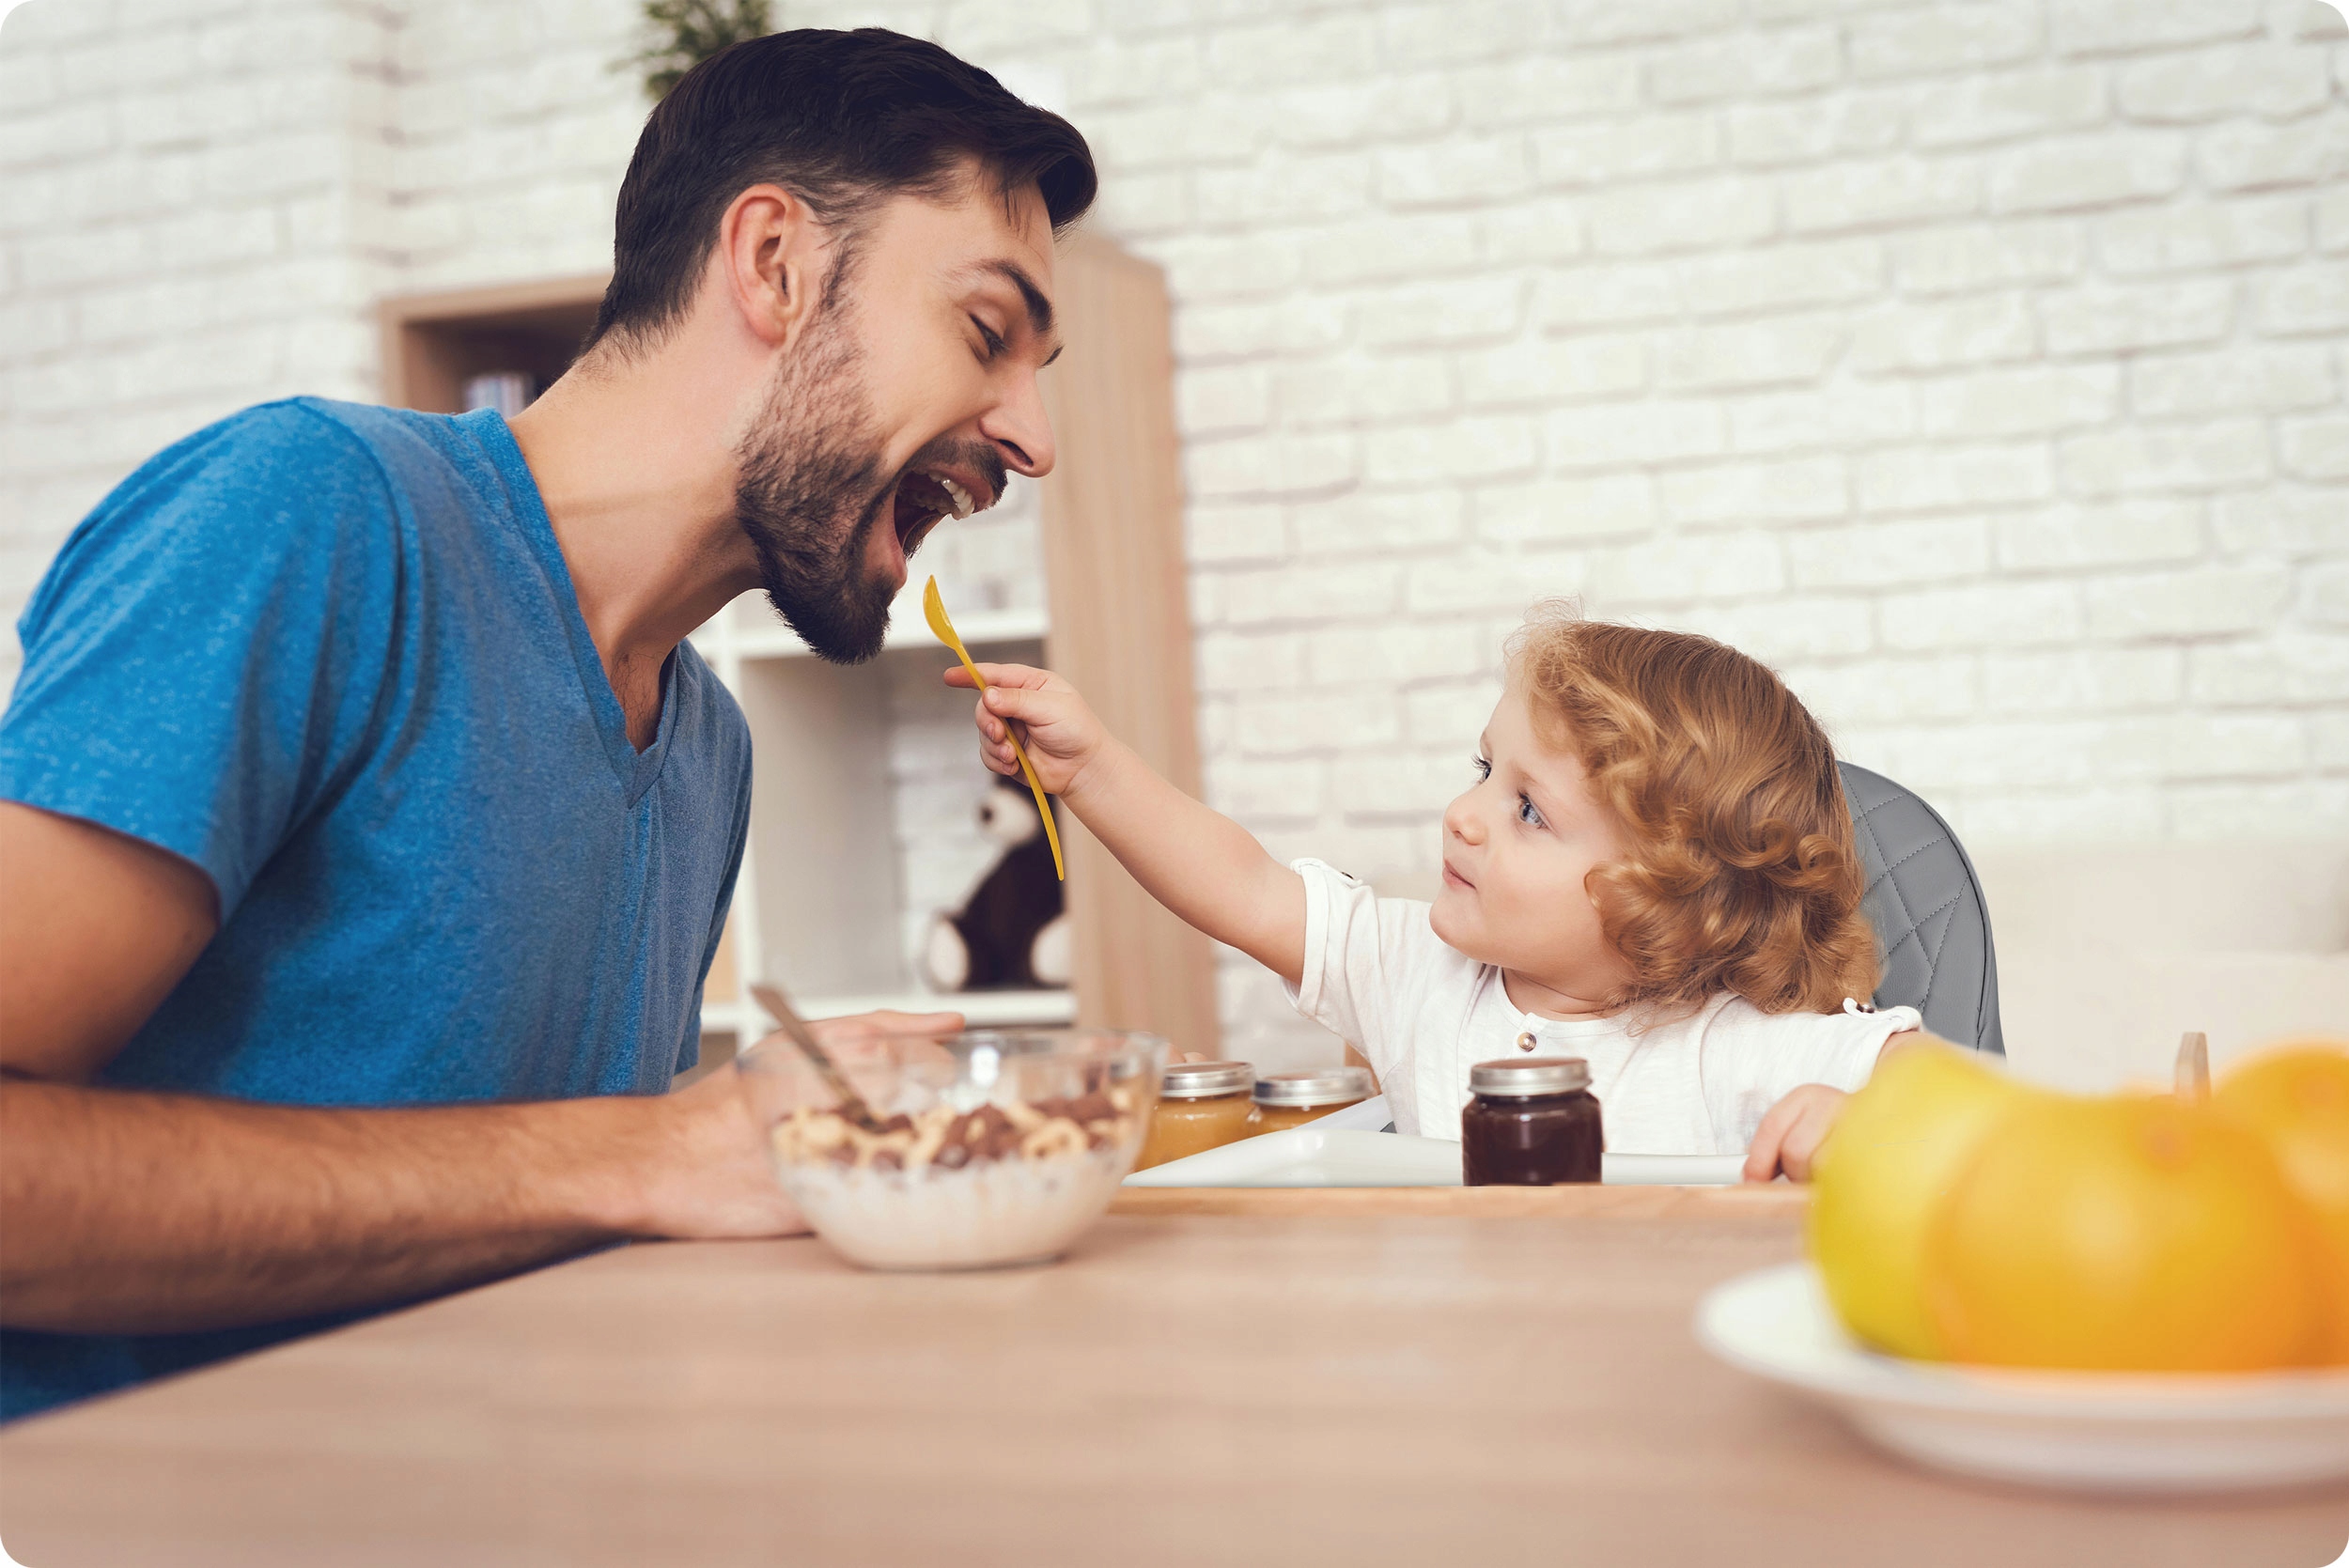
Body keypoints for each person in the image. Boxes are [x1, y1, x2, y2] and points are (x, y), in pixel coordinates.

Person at [0, 28, 1095, 1421]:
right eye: (988, 334)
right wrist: (645, 1156)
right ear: (773, 264)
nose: (1035, 441)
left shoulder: (709, 751)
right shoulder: (312, 518)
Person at [952, 603, 1931, 1181]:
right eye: (1482, 771)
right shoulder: (1416, 971)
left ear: (1666, 896)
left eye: (1528, 811)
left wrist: (1866, 1118)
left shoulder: (1723, 1049)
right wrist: (1090, 773)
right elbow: (1241, 885)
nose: (1465, 814)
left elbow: (1935, 1075)